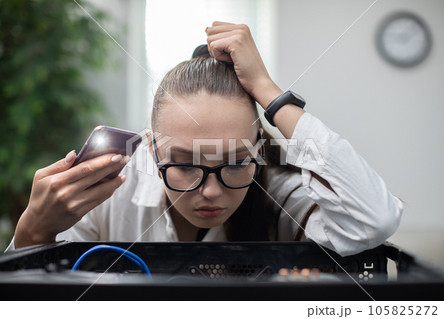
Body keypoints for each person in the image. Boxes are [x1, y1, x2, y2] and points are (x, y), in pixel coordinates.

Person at [7, 22, 403, 257]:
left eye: (234, 163)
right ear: (150, 149)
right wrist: (31, 232)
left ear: (258, 152)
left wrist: (268, 91)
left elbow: (375, 218)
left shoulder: (279, 199)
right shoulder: (109, 196)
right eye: (182, 163)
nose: (211, 192)